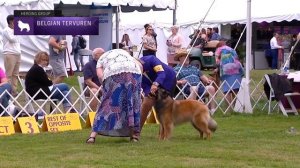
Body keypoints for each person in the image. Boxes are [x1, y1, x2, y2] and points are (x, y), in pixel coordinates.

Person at [86, 49, 142, 143]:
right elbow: (140, 66)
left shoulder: (101, 60)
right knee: (132, 103)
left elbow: (100, 76)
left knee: (107, 103)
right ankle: (134, 136)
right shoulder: (125, 54)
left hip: (113, 74)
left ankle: (92, 136)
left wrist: (105, 89)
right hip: (134, 72)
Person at [139, 55, 177, 131]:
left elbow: (161, 73)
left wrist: (155, 83)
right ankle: (136, 132)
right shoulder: (136, 72)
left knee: (165, 108)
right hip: (152, 85)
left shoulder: (151, 59)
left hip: (168, 80)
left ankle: (164, 133)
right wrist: (149, 93)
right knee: (146, 104)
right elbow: (144, 85)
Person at [215, 40, 244, 108]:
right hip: (236, 70)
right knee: (236, 90)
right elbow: (237, 59)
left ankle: (229, 108)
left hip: (226, 71)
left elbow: (217, 62)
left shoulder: (218, 50)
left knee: (227, 91)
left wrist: (217, 68)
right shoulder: (232, 50)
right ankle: (236, 107)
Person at [2, 15, 21, 96]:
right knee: (9, 74)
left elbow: (18, 40)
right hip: (9, 54)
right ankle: (7, 91)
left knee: (15, 74)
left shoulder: (15, 30)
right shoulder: (6, 30)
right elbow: (12, 39)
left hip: (17, 53)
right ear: (11, 21)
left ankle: (14, 91)